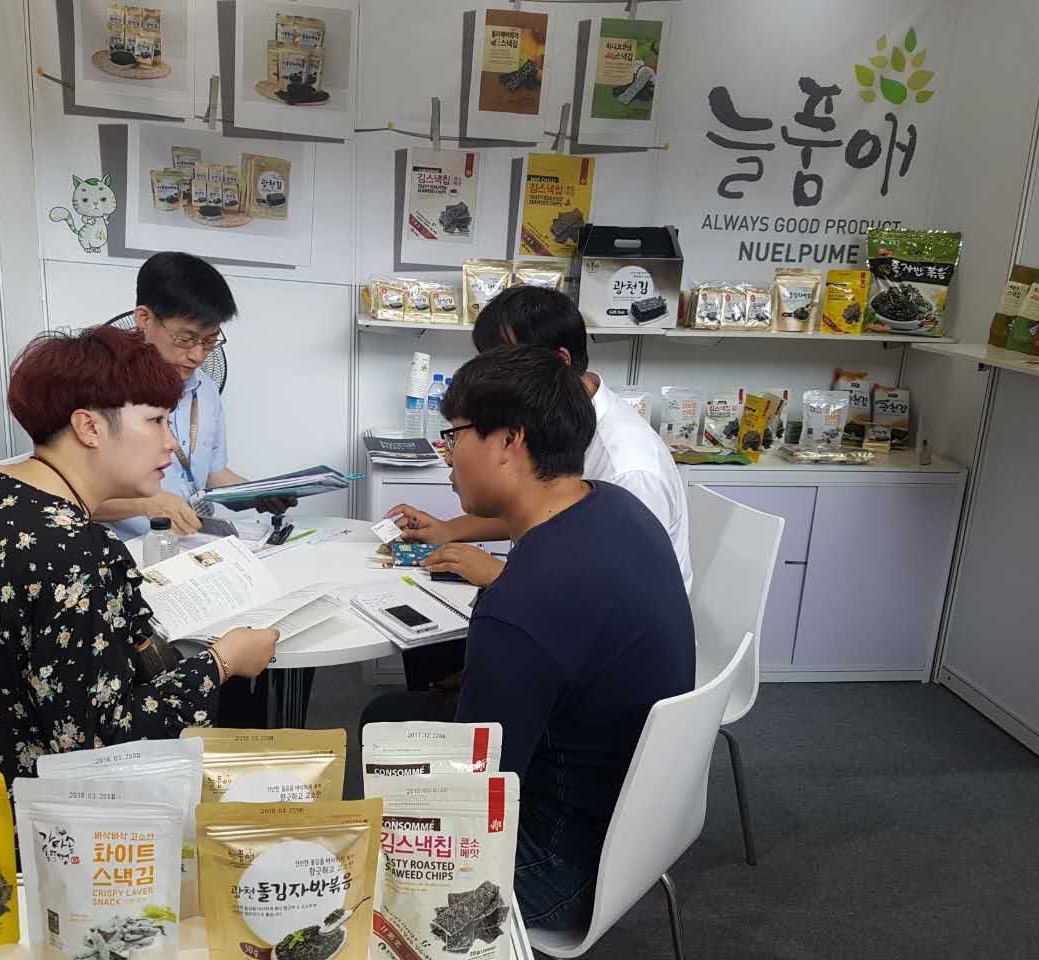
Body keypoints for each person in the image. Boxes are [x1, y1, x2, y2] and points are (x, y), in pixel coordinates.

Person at [363, 346, 696, 930]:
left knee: (349, 852)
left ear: (509, 441)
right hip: (639, 824)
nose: (447, 454)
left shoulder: (522, 600)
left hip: (559, 865)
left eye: (454, 435)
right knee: (385, 716)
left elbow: (472, 793)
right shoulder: (616, 506)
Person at [0, 327, 278, 786]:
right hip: (10, 813)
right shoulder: (73, 549)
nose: (170, 442)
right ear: (89, 427)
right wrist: (222, 662)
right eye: (156, 421)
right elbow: (103, 744)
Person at [388, 285, 692, 594]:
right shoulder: (551, 421)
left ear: (560, 363)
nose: (489, 380)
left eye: (506, 364)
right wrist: (448, 530)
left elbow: (618, 592)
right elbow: (538, 508)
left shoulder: (628, 469)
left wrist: (501, 574)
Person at [94, 251, 292, 540]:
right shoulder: (98, 390)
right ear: (144, 318)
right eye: (185, 339)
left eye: (209, 341)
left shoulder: (206, 390)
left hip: (193, 544)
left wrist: (258, 495)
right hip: (128, 551)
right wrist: (146, 504)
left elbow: (212, 474)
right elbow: (65, 497)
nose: (197, 356)